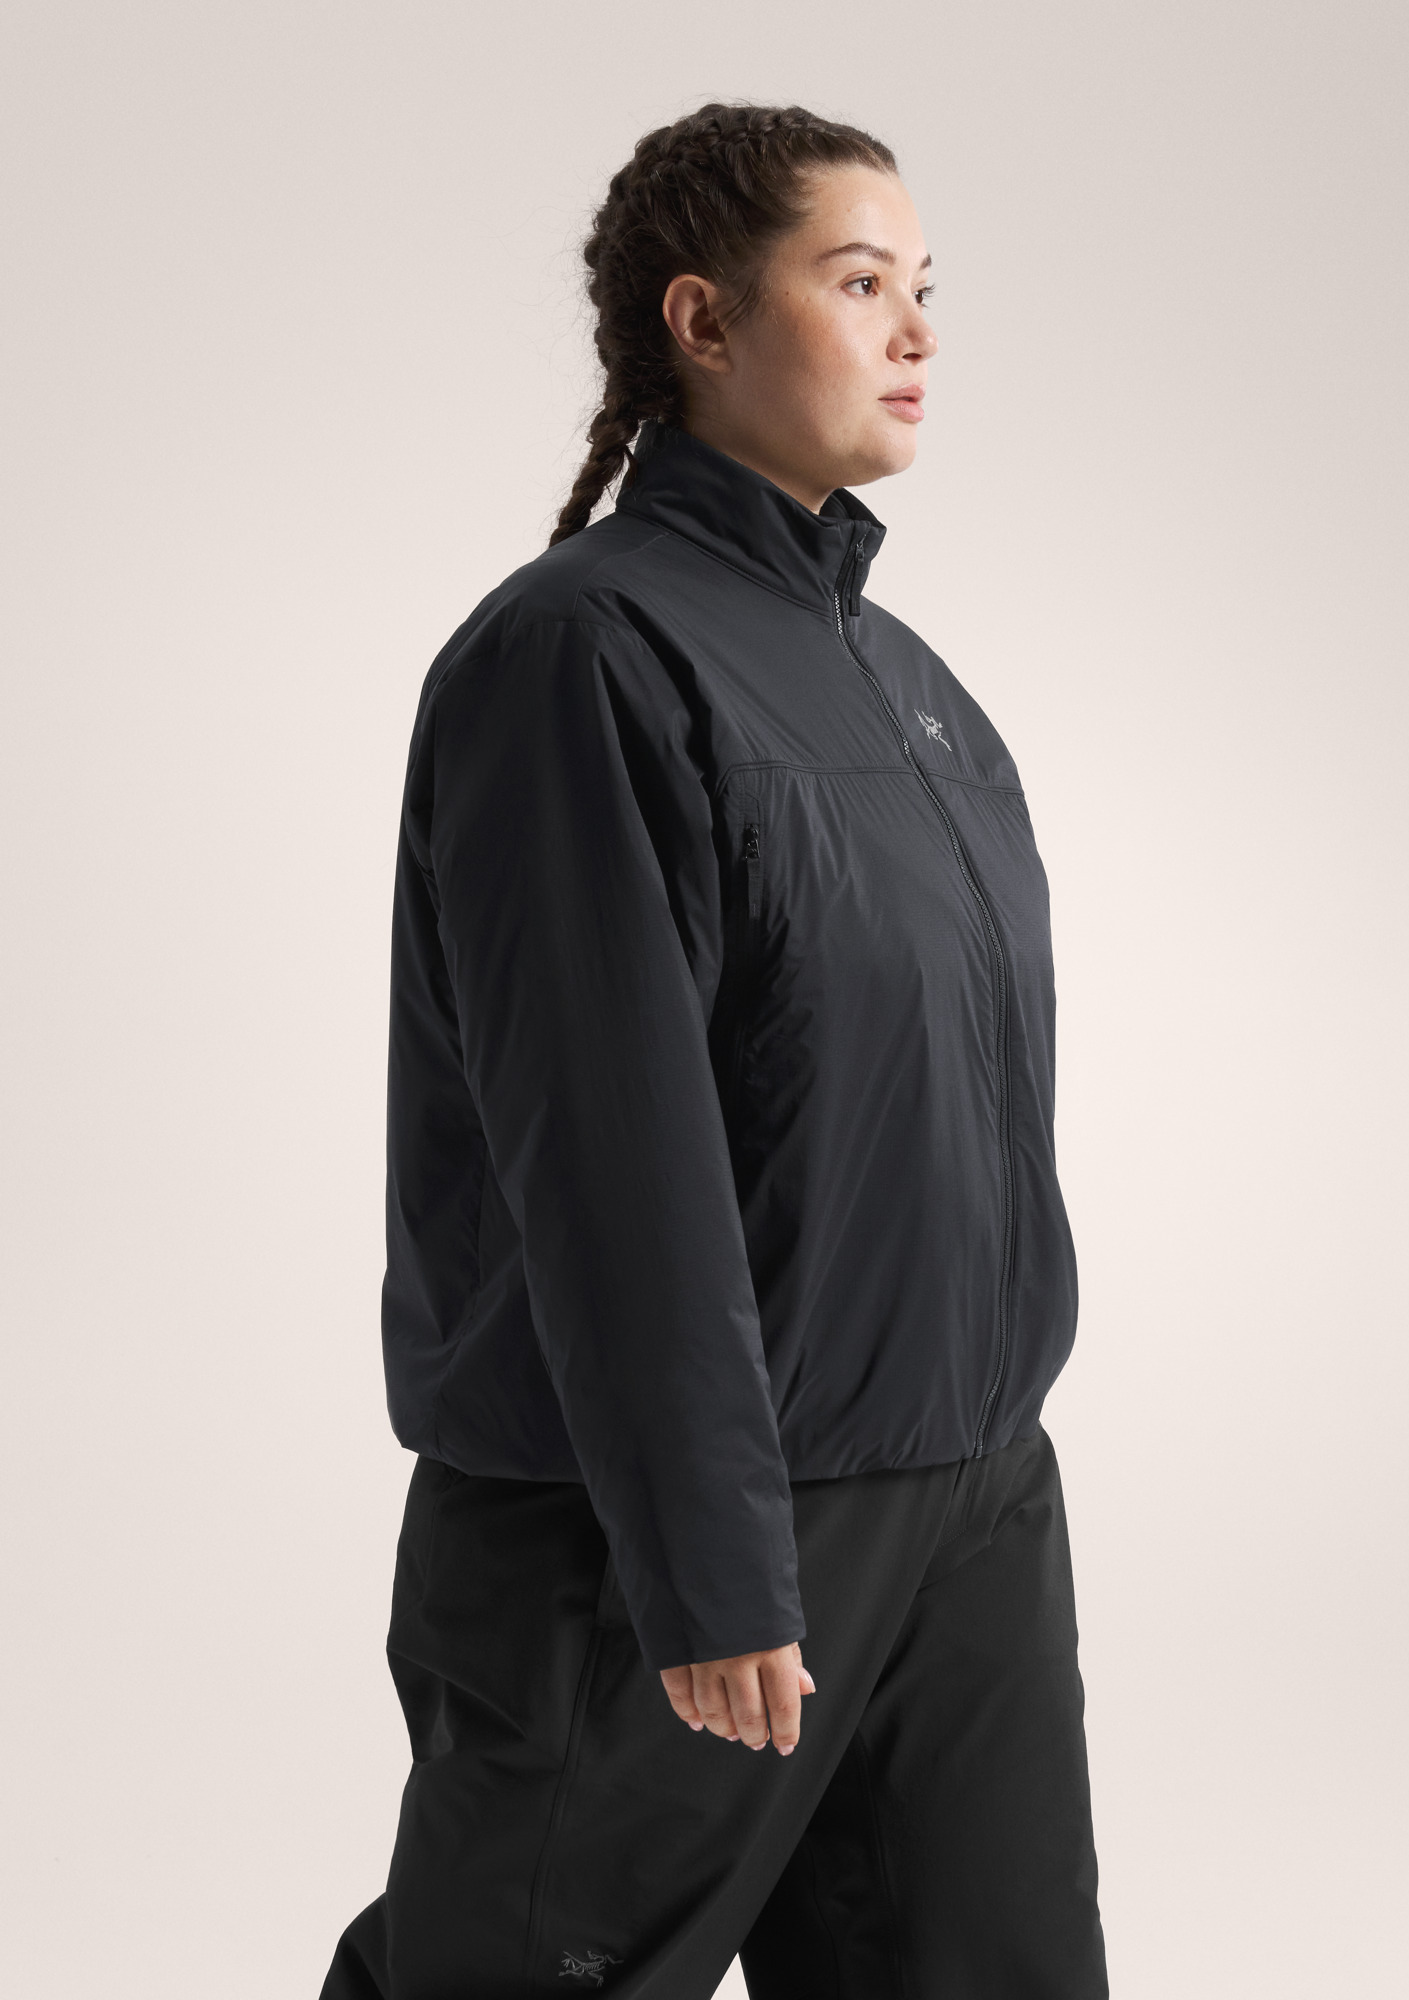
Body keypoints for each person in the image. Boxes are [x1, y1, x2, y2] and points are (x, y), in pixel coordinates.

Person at [320, 102, 1109, 2000]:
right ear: (703, 318)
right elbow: (611, 1154)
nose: (917, 331)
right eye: (861, 282)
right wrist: (708, 1557)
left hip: (962, 1499)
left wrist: (982, 1468)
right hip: (659, 1528)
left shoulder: (913, 695)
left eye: (927, 288)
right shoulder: (582, 658)